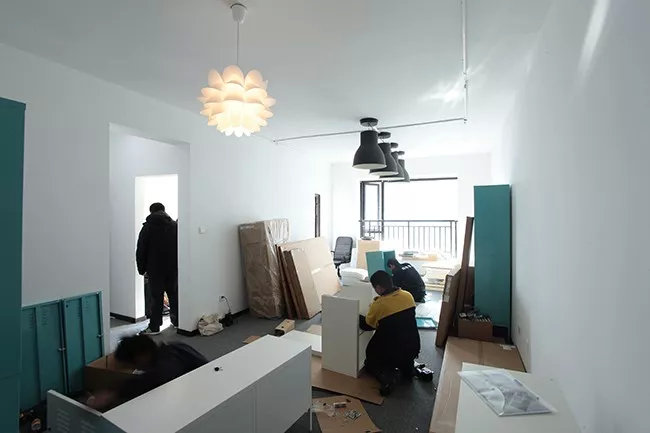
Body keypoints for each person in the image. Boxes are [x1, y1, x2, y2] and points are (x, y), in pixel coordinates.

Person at [87, 334, 207, 410]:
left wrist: (114, 393)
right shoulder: (173, 347)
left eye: (131, 366)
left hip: (204, 398)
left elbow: (152, 378)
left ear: (142, 357)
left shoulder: (166, 366)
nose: (137, 369)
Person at [359, 270, 421, 396]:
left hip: (391, 353)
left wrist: (357, 316)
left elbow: (368, 325)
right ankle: (407, 369)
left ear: (378, 287)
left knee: (369, 361)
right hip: (413, 348)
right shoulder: (408, 296)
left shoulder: (379, 304)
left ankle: (387, 377)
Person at [136, 202, 178, 334]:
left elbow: (141, 249)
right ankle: (177, 321)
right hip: (173, 268)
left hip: (155, 269)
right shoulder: (174, 226)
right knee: (174, 295)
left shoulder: (148, 227)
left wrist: (141, 269)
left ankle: (154, 327)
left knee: (156, 298)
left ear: (151, 212)